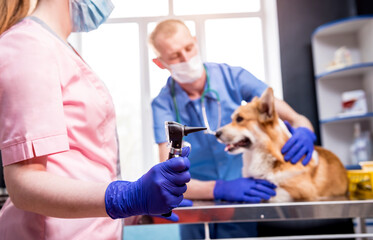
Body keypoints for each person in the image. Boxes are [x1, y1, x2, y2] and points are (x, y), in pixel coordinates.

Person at [0, 1, 191, 239]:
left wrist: (141, 205)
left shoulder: (55, 47)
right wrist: (127, 197)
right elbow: (24, 186)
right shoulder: (28, 45)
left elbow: (81, 166)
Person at [149, 19, 318, 239]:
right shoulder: (163, 104)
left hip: (245, 195)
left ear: (195, 42)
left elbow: (296, 118)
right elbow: (169, 177)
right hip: (197, 202)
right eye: (174, 56)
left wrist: (304, 128)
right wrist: (218, 188)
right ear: (161, 62)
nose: (186, 58)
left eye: (189, 48)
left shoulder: (231, 77)